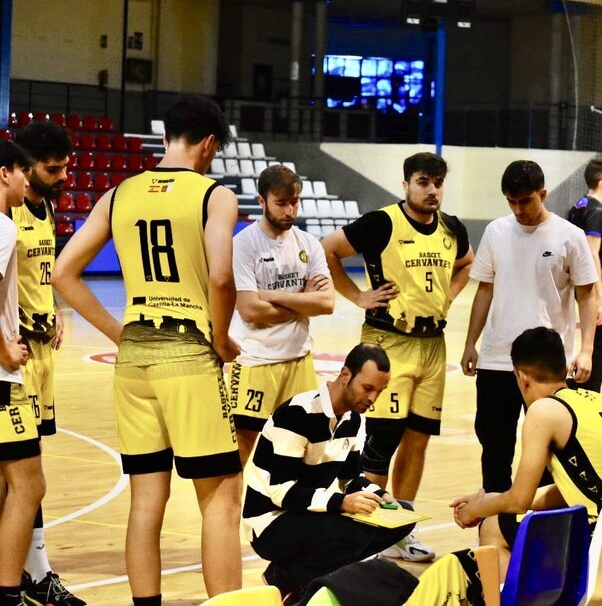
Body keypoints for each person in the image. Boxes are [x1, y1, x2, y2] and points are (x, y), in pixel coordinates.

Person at [53, 95, 243, 604]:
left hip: (134, 356)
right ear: (209, 144)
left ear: (166, 139)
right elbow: (222, 277)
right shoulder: (214, 195)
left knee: (145, 502)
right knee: (221, 497)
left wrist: (119, 335)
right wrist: (222, 339)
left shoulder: (119, 194)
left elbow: (62, 274)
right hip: (188, 353)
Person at [323, 151, 473, 562]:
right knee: (381, 444)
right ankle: (369, 532)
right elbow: (328, 249)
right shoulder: (381, 222)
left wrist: (450, 295)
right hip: (389, 344)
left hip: (432, 346)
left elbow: (467, 264)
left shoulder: (452, 228)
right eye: (424, 181)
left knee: (417, 441)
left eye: (438, 182)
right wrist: (357, 296)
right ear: (406, 184)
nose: (432, 190)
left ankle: (399, 529)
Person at [451, 327, 602, 578]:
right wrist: (491, 499)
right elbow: (572, 489)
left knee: (493, 527)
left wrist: (478, 510)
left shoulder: (544, 410)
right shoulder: (599, 401)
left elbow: (519, 501)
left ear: (521, 377)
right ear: (564, 368)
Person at [462, 160, 598, 493]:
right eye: (512, 201)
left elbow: (587, 296)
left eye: (526, 200)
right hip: (497, 360)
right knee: (494, 450)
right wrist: (470, 343)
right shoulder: (496, 231)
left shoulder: (571, 235)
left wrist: (586, 350)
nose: (519, 209)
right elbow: (484, 290)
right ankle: (495, 529)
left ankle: (546, 527)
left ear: (543, 194)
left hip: (548, 365)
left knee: (555, 451)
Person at [243, 343, 414, 602]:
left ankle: (311, 576)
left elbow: (351, 479)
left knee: (404, 517)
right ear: (345, 375)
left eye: (379, 391)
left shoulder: (353, 420)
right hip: (270, 521)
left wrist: (379, 495)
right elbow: (281, 492)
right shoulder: (297, 414)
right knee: (349, 534)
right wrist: (341, 503)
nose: (372, 399)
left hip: (308, 514)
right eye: (367, 388)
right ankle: (283, 579)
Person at [8, 121, 85, 605]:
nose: (61, 177)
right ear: (22, 166)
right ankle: (32, 574)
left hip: (41, 354)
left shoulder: (47, 208)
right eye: (51, 169)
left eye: (64, 168)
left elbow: (42, 273)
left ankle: (29, 571)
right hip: (10, 357)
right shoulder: (4, 217)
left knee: (26, 474)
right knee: (21, 475)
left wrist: (54, 312)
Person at [229, 165, 334, 466]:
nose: (290, 210)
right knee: (240, 451)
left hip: (299, 360)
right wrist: (303, 301)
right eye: (281, 203)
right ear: (262, 201)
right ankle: (228, 513)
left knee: (304, 449)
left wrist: (273, 296)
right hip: (255, 362)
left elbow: (326, 303)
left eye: (295, 202)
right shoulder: (244, 244)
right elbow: (250, 311)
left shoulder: (309, 243)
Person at [0, 141, 43, 606]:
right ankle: (8, 592)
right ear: (3, 174)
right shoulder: (4, 228)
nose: (25, 181)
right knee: (29, 484)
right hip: (0, 379)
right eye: (19, 172)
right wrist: (5, 350)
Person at [566, 158, 602, 392]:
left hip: (575, 284)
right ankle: (584, 396)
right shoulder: (597, 211)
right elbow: (591, 254)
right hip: (588, 289)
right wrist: (599, 300)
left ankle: (576, 386)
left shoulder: (578, 206)